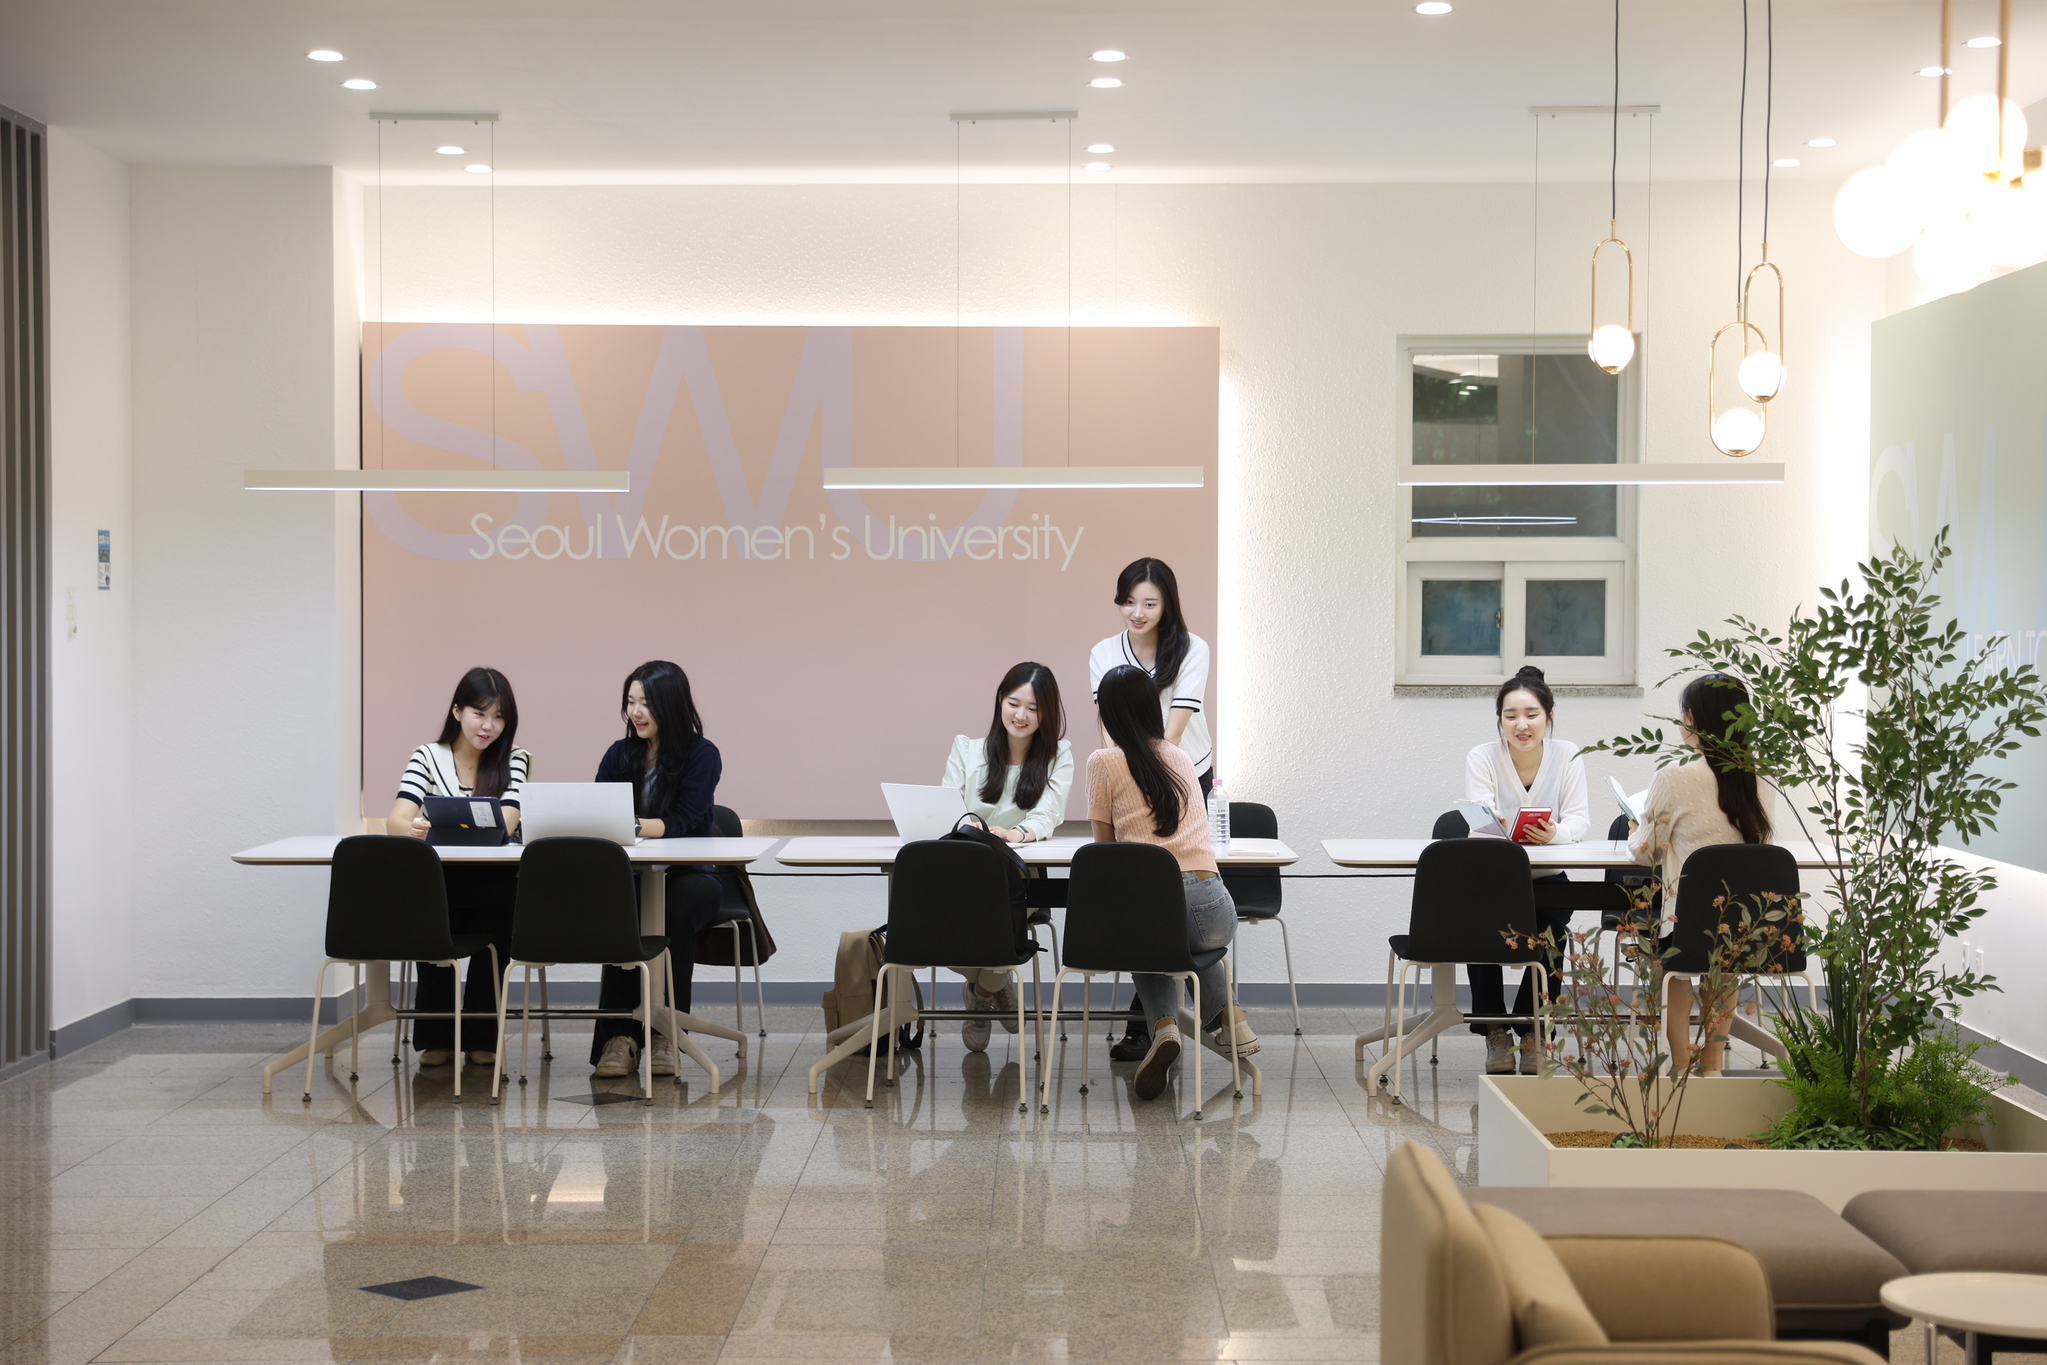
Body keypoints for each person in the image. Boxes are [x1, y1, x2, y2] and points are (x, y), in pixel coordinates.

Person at [1088, 663, 1258, 1102]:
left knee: (1140, 933)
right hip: (1218, 911)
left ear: (1106, 713)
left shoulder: (1104, 761)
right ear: (1151, 708)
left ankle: (1164, 1027)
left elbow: (1106, 856)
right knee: (1176, 940)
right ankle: (1229, 1015)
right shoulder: (1180, 756)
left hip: (1160, 917)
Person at [1088, 557, 1214, 1062]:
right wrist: (1114, 770)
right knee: (1143, 888)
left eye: (1149, 603)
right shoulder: (1103, 651)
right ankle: (1167, 1024)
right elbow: (1107, 721)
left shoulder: (1191, 647)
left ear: (1168, 605)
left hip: (1181, 768)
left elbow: (1176, 729)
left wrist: (1134, 769)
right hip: (1127, 768)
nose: (1136, 612)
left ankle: (1149, 1028)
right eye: (1129, 602)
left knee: (1161, 892)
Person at [1627, 672, 1774, 1076]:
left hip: (1689, 919)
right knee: (1724, 975)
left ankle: (1680, 1065)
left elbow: (1645, 852)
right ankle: (1712, 1066)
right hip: (1747, 920)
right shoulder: (1758, 775)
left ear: (1690, 719)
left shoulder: (1674, 775)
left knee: (1677, 976)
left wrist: (1633, 834)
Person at [588, 660, 728, 1079]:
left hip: (693, 876)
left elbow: (683, 821)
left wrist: (627, 825)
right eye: (630, 702)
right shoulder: (620, 754)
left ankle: (667, 1032)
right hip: (633, 878)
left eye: (646, 703)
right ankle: (621, 1037)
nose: (636, 712)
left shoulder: (702, 755)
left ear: (672, 704)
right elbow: (598, 812)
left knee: (674, 907)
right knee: (622, 910)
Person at [385, 667, 529, 1068]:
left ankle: (482, 1034)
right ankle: (437, 1036)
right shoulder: (428, 756)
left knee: (501, 915)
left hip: (494, 878)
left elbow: (509, 822)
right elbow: (395, 820)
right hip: (441, 877)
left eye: (499, 717)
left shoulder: (515, 760)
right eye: (479, 713)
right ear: (456, 711)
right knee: (430, 914)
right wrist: (413, 827)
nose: (489, 726)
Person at [1463, 664, 1590, 1077]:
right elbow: (1478, 820)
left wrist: (1553, 834)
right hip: (1493, 878)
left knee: (1555, 925)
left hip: (1546, 875)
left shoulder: (1567, 754)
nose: (1521, 725)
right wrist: (1497, 826)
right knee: (1480, 931)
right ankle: (1495, 1030)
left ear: (1549, 718)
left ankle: (1532, 1029)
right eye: (1510, 715)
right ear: (1499, 719)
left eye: (1532, 714)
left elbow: (1579, 821)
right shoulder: (1482, 756)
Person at [942, 662, 1075, 1052]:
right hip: (965, 873)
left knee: (1005, 924)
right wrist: (974, 831)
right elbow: (947, 807)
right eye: (1014, 703)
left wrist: (1014, 834)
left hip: (1020, 876)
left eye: (1033, 708)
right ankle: (995, 984)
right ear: (1000, 701)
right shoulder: (967, 749)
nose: (1021, 715)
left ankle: (981, 995)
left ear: (1047, 713)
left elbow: (1048, 813)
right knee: (919, 920)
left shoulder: (1057, 755)